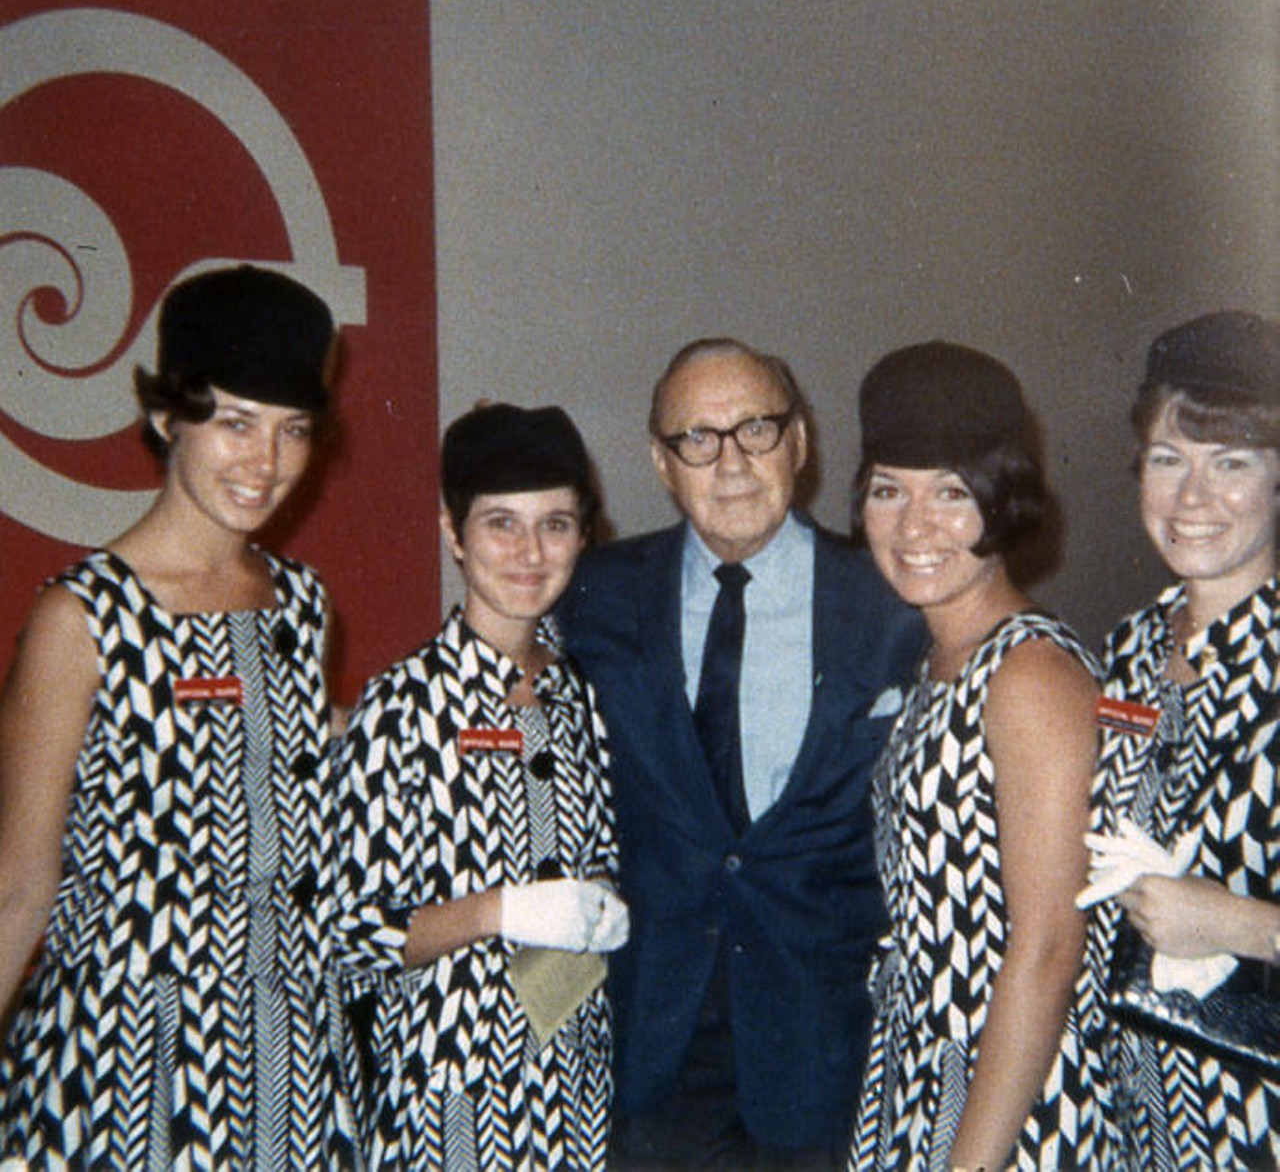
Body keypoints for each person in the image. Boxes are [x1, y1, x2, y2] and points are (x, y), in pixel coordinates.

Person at [0, 265, 360, 1166]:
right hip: (122, 1062)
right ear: (167, 417)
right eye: (234, 422)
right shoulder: (79, 617)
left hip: (290, 1063)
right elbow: (18, 883)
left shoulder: (301, 603)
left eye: (292, 430)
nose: (265, 462)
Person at [557, 338, 924, 1168]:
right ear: (660, 460)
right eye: (698, 438)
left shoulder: (890, 602)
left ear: (799, 442)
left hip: (824, 1048)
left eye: (756, 428)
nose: (730, 462)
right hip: (652, 1040)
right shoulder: (594, 592)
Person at [335, 403, 628, 1170]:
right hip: (446, 1103)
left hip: (573, 1096)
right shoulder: (404, 704)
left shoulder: (582, 696)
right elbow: (351, 932)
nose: (531, 551)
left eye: (556, 523)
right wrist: (500, 910)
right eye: (502, 522)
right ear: (453, 532)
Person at [846, 341, 1108, 1171]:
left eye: (952, 494)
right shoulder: (939, 660)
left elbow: (1047, 949)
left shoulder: (1028, 673)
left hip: (1012, 1108)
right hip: (925, 1076)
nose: (914, 526)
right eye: (889, 490)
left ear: (1004, 501)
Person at [1082, 310, 1279, 1169]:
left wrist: (1240, 921)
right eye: (1169, 460)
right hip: (1124, 1110)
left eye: (1231, 463)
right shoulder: (1127, 646)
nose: (1192, 499)